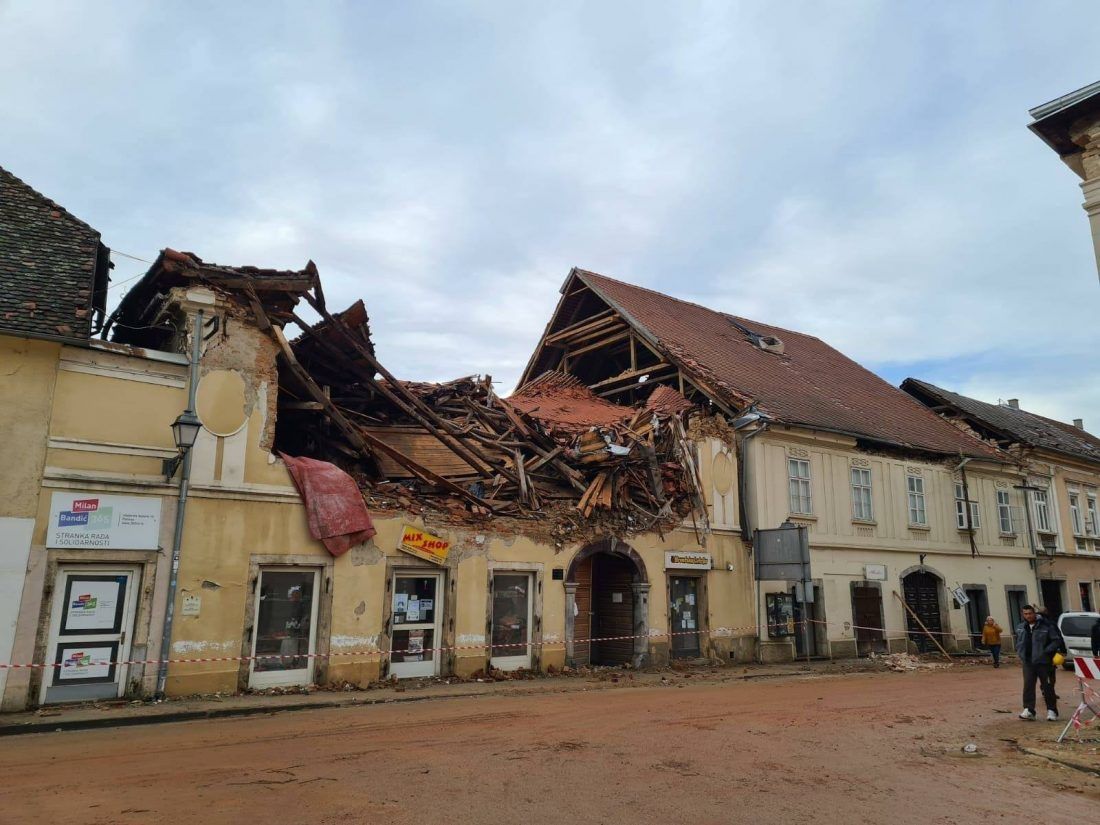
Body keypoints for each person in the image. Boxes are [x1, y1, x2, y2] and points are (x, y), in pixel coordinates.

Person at [1015, 604, 1064, 721]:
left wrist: (1047, 651)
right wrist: (1020, 652)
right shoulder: (1021, 627)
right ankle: (1029, 709)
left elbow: (1056, 640)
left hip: (1044, 662)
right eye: (1025, 614)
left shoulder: (1046, 626)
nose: (1028, 616)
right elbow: (1019, 641)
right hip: (1028, 662)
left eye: (1030, 613)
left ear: (1034, 613)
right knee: (1028, 686)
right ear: (1023, 614)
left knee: (1047, 687)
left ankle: (1052, 710)